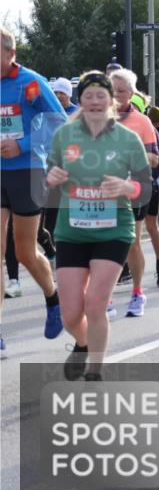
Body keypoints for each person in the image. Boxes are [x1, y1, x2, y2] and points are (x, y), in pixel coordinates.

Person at [46, 71, 152, 380]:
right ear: (81, 100)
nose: (94, 101)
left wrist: (124, 186)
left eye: (100, 95)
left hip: (113, 230)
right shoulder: (65, 135)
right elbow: (49, 178)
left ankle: (95, 370)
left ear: (112, 100)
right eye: (88, 95)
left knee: (95, 304)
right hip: (72, 231)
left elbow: (144, 188)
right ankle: (82, 342)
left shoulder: (127, 138)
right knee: (69, 314)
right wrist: (52, 178)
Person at [0, 28, 66, 350]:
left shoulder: (31, 82)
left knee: (25, 251)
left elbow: (59, 123)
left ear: (10, 53)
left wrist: (23, 145)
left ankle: (53, 300)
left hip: (27, 171)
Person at [108, 68, 159, 316]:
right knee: (104, 243)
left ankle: (138, 292)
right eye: (113, 90)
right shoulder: (96, 118)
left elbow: (154, 159)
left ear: (131, 93)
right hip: (104, 191)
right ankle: (105, 297)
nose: (116, 95)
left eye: (121, 91)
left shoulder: (142, 121)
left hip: (135, 189)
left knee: (132, 244)